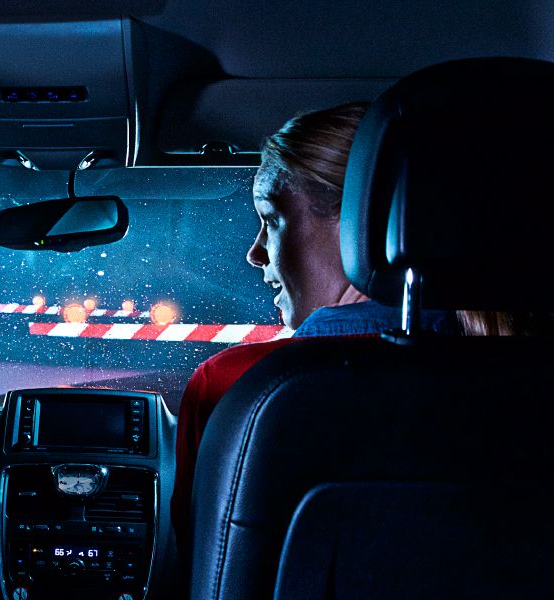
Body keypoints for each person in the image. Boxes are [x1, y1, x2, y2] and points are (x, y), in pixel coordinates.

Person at [168, 102, 457, 541]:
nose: (256, 252)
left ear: (361, 223)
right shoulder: (535, 380)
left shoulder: (235, 385)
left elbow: (201, 564)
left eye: (271, 220)